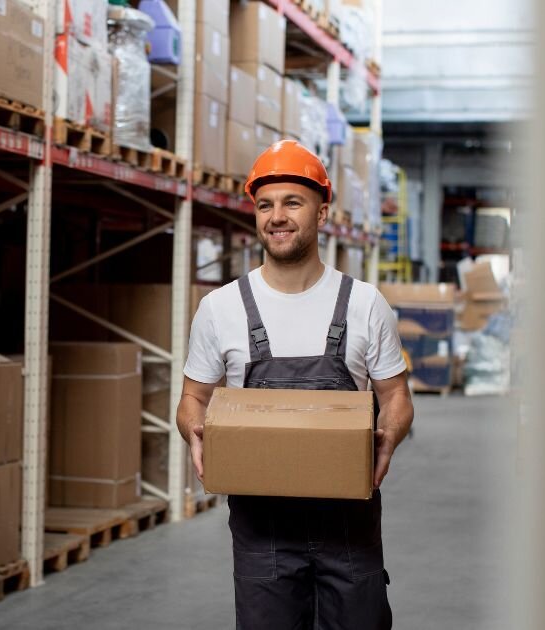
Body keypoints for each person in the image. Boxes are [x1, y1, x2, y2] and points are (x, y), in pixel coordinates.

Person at [176, 140, 414, 629]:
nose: (276, 216)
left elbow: (394, 395)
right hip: (262, 529)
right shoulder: (221, 308)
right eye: (265, 205)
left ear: (322, 212)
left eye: (292, 202)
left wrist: (387, 440)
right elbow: (192, 398)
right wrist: (197, 433)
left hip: (348, 521)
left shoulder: (365, 304)